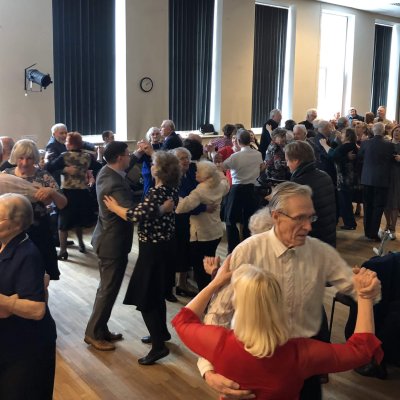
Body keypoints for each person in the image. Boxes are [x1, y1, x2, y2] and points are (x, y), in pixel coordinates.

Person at [198, 182, 381, 400]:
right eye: (300, 218)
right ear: (276, 217)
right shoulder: (247, 251)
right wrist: (208, 370)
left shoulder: (319, 252)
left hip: (304, 364)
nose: (309, 227)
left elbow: (362, 291)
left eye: (311, 217)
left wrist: (369, 288)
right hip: (253, 363)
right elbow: (218, 314)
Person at [174, 259, 382, 400]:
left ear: (238, 306)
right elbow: (361, 350)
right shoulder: (300, 354)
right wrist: (365, 296)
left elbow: (183, 320)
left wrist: (217, 282)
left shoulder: (219, 343)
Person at [103, 151, 180, 365]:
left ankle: (159, 347)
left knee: (146, 299)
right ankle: (161, 334)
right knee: (156, 294)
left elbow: (134, 215)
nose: (151, 166)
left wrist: (114, 207)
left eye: (154, 164)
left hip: (153, 251)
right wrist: (160, 210)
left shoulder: (157, 192)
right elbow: (151, 212)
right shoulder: (170, 189)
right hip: (164, 247)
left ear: (159, 170)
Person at [0, 193, 57, 400]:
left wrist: (5, 302)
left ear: (17, 224)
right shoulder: (3, 243)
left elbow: (37, 309)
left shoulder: (27, 254)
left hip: (27, 348)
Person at [84, 141, 135, 351]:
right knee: (107, 290)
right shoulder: (113, 182)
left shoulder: (106, 171)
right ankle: (93, 333)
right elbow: (131, 213)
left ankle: (101, 329)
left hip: (107, 239)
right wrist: (158, 206)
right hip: (112, 243)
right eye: (128, 154)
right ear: (120, 157)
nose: (130, 156)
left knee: (108, 288)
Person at [3, 139, 67, 280]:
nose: (25, 163)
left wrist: (52, 192)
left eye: (29, 158)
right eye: (21, 158)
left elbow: (62, 204)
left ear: (35, 158)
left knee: (40, 273)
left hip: (39, 231)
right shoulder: (6, 175)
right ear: (15, 157)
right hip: (11, 232)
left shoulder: (44, 176)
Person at [176, 161, 229, 291]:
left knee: (200, 268)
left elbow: (180, 208)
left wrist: (178, 196)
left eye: (198, 171)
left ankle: (205, 294)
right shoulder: (220, 186)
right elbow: (226, 182)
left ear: (206, 175)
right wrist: (218, 170)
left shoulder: (200, 190)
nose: (195, 173)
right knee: (210, 263)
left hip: (201, 234)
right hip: (215, 232)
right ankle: (213, 290)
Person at [46, 132, 96, 259]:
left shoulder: (65, 156)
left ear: (71, 144)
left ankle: (63, 251)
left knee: (63, 223)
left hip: (68, 193)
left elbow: (49, 167)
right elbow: (95, 167)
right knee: (78, 220)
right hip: (83, 193)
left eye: (67, 142)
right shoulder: (87, 156)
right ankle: (81, 244)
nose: (65, 143)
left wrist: (63, 170)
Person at [285, 141, 336, 247]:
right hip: (327, 234)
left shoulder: (298, 182)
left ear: (296, 160)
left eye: (287, 160)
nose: (287, 164)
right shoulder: (324, 175)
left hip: (311, 238)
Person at [222, 129, 265, 253]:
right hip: (252, 189)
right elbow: (260, 167)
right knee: (248, 219)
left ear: (238, 141)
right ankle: (248, 247)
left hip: (237, 189)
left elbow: (223, 166)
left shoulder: (236, 156)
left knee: (230, 220)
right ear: (250, 140)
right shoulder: (258, 154)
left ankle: (233, 249)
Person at [358, 122, 394, 241]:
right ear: (383, 131)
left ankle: (367, 232)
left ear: (373, 131)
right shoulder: (389, 145)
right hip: (382, 180)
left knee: (367, 206)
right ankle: (373, 233)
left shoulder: (365, 143)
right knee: (378, 207)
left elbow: (359, 157)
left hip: (367, 178)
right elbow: (392, 160)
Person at [320, 128, 358, 230]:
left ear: (348, 136)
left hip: (345, 178)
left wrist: (324, 145)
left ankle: (350, 224)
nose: (341, 135)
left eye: (343, 133)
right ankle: (350, 223)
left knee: (344, 201)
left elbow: (333, 155)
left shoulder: (347, 146)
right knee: (345, 201)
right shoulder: (350, 145)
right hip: (349, 177)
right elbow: (338, 153)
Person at [381, 124, 400, 240]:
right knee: (385, 201)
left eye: (399, 131)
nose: (397, 132)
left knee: (394, 202)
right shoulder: (386, 144)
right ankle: (387, 224)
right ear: (392, 132)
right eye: (396, 130)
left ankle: (393, 228)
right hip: (385, 175)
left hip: (397, 176)